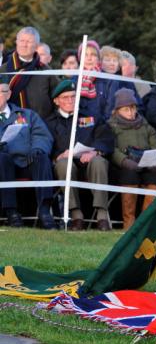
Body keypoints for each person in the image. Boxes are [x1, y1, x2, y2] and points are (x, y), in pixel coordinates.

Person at [46, 79, 113, 231]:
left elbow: (105, 137)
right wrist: (57, 156)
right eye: (65, 97)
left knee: (99, 162)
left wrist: (95, 151)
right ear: (56, 101)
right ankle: (76, 216)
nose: (70, 100)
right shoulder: (49, 122)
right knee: (63, 164)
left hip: (89, 161)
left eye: (73, 96)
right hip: (66, 165)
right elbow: (46, 146)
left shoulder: (91, 116)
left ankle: (102, 216)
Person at [0, 82, 56, 229]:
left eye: (0, 92)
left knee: (41, 157)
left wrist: (37, 148)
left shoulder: (27, 114)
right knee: (2, 159)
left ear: (8, 94)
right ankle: (11, 212)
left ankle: (44, 211)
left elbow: (42, 135)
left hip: (26, 161)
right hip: (3, 165)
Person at [108, 88, 156, 231]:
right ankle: (129, 224)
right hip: (123, 167)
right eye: (126, 109)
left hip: (146, 165)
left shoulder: (146, 126)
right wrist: (125, 161)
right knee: (129, 175)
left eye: (133, 108)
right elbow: (111, 149)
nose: (131, 113)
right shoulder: (111, 126)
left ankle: (145, 224)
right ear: (117, 110)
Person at [0, 27, 59, 120]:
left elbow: (58, 100)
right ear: (17, 42)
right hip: (10, 126)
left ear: (36, 45)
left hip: (42, 126)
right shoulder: (3, 70)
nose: (24, 45)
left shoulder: (45, 71)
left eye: (29, 41)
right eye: (22, 40)